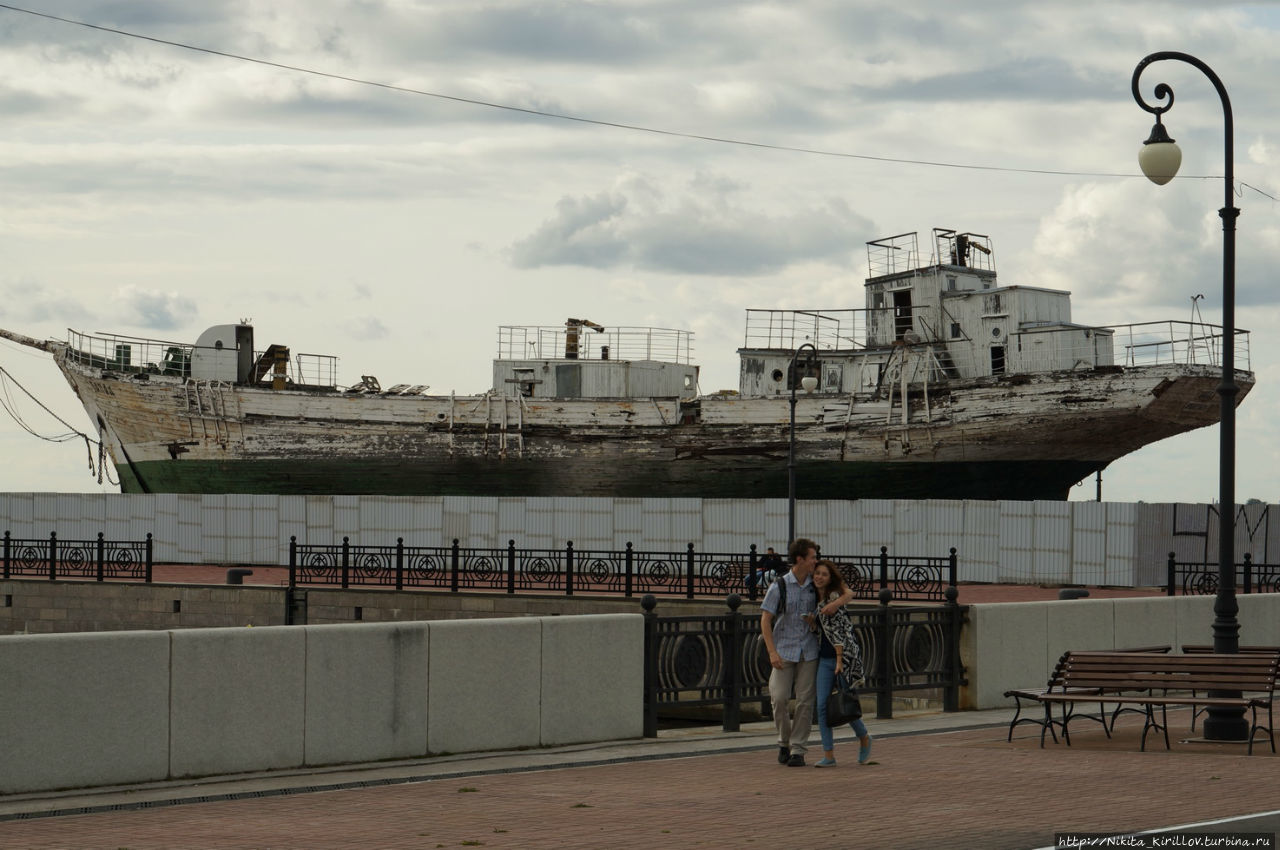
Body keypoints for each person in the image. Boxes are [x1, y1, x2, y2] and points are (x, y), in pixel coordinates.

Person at [760, 539, 854, 767]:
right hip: (783, 650)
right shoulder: (779, 586)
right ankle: (784, 741)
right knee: (779, 698)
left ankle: (798, 749)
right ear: (800, 559)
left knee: (805, 700)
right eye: (812, 557)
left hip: (809, 649)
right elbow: (765, 620)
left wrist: (834, 604)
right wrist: (771, 652)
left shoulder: (817, 583)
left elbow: (848, 592)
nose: (816, 561)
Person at [811, 559, 873, 767]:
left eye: (824, 574)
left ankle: (864, 737)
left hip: (842, 658)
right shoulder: (814, 597)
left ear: (830, 579)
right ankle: (829, 755)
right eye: (817, 573)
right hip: (824, 658)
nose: (819, 577)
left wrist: (839, 661)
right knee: (821, 706)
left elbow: (840, 632)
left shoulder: (834, 597)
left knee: (845, 703)